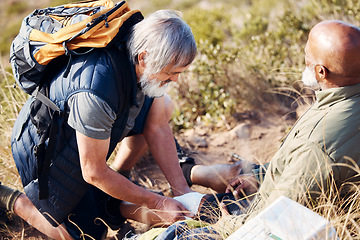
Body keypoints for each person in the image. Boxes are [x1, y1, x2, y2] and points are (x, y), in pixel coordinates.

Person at [138, 19, 360, 239]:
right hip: (287, 193)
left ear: (322, 72)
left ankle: (126, 211)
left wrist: (227, 225)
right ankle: (186, 174)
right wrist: (262, 176)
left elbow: (274, 219)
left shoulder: (316, 144)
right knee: (228, 185)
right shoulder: (343, 101)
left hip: (278, 221)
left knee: (180, 229)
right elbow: (300, 172)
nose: (304, 60)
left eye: (307, 56)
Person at [0, 9, 197, 240]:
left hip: (90, 127)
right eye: (172, 73)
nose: (175, 79)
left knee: (165, 106)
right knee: (82, 235)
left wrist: (181, 189)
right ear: (143, 58)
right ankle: (12, 199)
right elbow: (93, 172)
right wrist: (157, 202)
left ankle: (120, 176)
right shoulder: (96, 93)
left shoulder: (140, 55)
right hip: (49, 148)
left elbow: (157, 127)